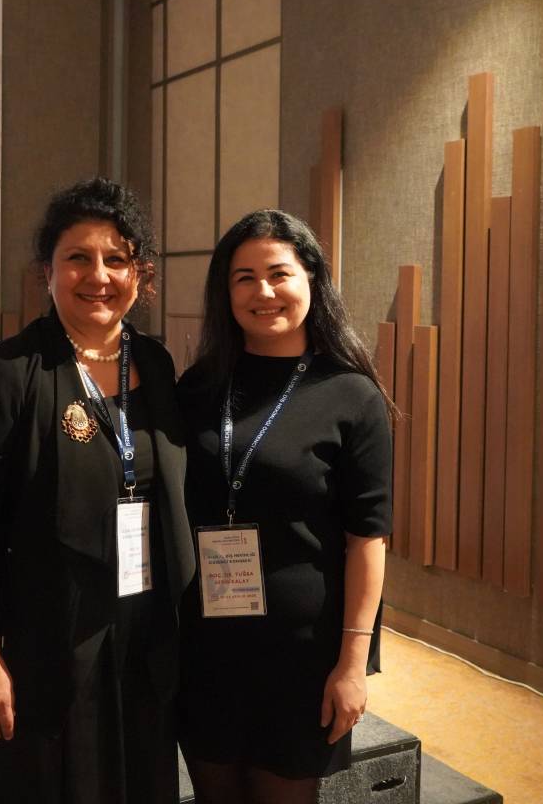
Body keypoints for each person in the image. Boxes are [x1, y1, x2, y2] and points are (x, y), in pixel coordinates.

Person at [0, 177, 195, 804]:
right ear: (46, 272)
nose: (98, 276)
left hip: (139, 632)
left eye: (116, 259)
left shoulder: (156, 365)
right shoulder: (7, 374)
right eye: (78, 257)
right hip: (39, 638)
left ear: (140, 275)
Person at [176, 209, 394, 804]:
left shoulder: (350, 395)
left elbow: (367, 539)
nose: (263, 292)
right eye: (244, 278)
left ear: (312, 279)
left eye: (279, 274)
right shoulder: (198, 387)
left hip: (302, 652)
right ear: (225, 292)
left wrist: (353, 664)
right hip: (206, 643)